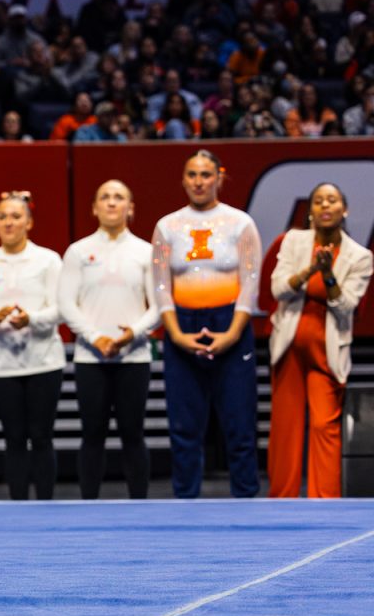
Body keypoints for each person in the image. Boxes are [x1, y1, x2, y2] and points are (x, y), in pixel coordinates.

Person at [152, 149, 261, 499]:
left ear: (219, 177)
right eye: (192, 175)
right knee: (184, 427)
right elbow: (159, 284)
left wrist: (231, 333)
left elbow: (250, 280)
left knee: (240, 427)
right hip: (181, 326)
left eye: (205, 175)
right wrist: (176, 334)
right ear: (183, 179)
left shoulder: (240, 223)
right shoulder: (167, 226)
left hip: (230, 323)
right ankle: (185, 503)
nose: (199, 182)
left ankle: (246, 501)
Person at [268, 183, 372, 498]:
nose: (325, 205)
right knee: (285, 429)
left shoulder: (360, 256)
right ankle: (281, 501)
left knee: (324, 427)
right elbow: (278, 290)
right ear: (310, 210)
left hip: (326, 351)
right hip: (288, 347)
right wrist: (311, 268)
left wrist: (328, 276)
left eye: (332, 200)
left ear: (345, 209)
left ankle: (325, 503)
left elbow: (345, 307)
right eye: (318, 201)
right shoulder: (293, 242)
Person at [58, 181, 158, 500]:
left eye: (119, 197)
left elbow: (159, 305)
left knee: (133, 434)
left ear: (131, 207)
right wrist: (95, 337)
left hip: (134, 357)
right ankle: (89, 504)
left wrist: (132, 334)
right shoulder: (77, 252)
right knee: (92, 434)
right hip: (91, 358)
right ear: (94, 208)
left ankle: (139, 505)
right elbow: (65, 302)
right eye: (104, 197)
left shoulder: (146, 251)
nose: (111, 203)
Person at [0, 192, 65, 500]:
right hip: (3, 365)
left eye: (16, 216)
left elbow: (61, 309)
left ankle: (46, 504)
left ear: (29, 222)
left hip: (44, 361)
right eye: (2, 217)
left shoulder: (48, 260)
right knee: (15, 438)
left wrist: (32, 319)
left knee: (42, 436)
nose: (9, 222)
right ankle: (18, 505)